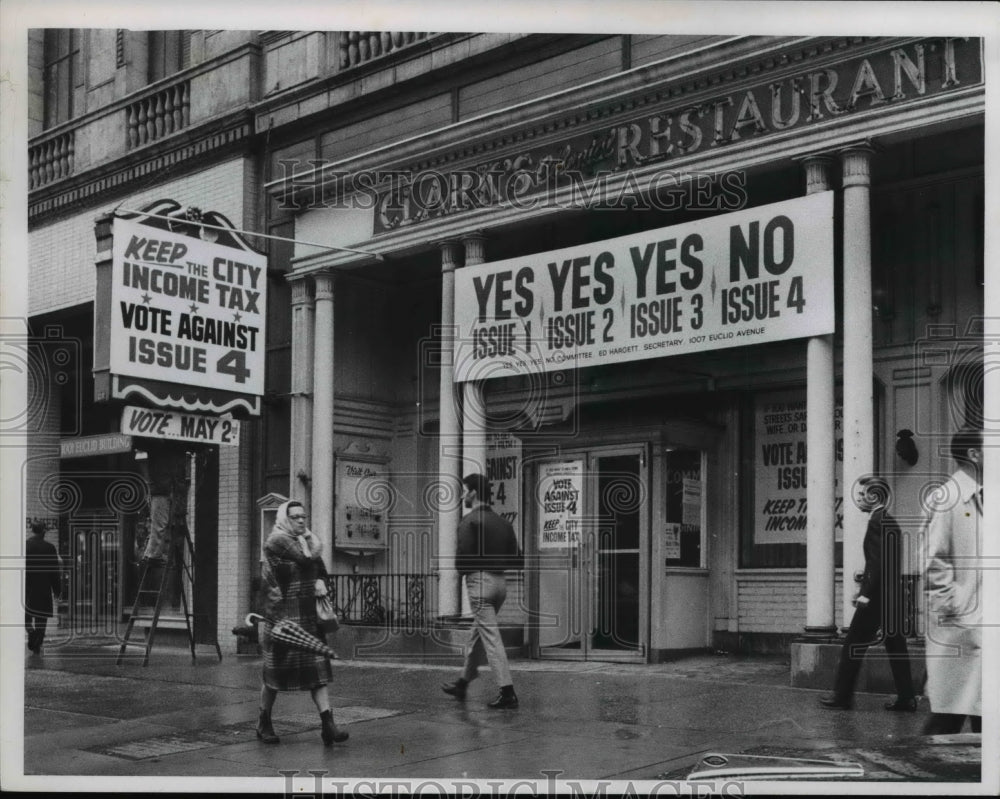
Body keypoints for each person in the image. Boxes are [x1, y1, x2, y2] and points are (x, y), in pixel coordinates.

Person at [820, 476, 916, 711]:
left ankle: (842, 697)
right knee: (896, 648)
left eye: (863, 495)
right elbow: (885, 562)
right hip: (891, 598)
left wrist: (865, 594)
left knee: (852, 644)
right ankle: (907, 698)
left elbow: (876, 562)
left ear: (875, 496)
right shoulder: (889, 520)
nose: (859, 499)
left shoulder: (876, 521)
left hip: (877, 600)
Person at [256, 500, 348, 746]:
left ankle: (328, 724)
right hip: (283, 617)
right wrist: (313, 543)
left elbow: (320, 569)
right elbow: (306, 561)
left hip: (307, 617)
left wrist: (321, 580)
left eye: (303, 516)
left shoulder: (306, 542)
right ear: (285, 518)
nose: (300, 520)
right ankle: (264, 721)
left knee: (317, 673)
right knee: (274, 676)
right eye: (295, 516)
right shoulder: (277, 541)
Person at [442, 473, 522, 709]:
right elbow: (517, 559)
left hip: (479, 584)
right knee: (479, 633)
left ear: (474, 493)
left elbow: (461, 561)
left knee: (491, 639)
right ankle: (463, 683)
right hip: (500, 585)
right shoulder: (503, 522)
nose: (463, 495)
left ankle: (507, 691)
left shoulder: (470, 521)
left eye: (465, 491)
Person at [922, 427, 983, 735]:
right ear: (975, 454)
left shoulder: (988, 497)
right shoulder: (947, 497)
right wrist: (959, 613)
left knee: (982, 715)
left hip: (984, 630)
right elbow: (934, 563)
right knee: (949, 717)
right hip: (960, 631)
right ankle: (913, 776)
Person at [25, 521, 62, 654]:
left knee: (26, 616)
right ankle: (37, 645)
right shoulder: (50, 548)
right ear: (43, 532)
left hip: (27, 589)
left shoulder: (25, 546)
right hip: (44, 589)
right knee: (41, 619)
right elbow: (54, 572)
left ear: (32, 530)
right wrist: (57, 591)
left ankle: (31, 632)